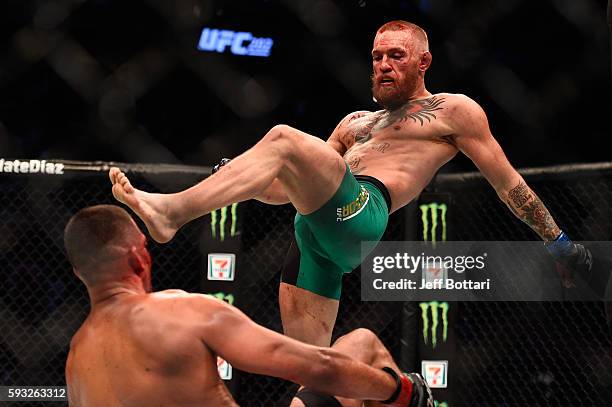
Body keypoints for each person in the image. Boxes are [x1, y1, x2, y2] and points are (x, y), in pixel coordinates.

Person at [108, 20, 591, 347]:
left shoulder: (453, 110)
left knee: (281, 137)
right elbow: (287, 192)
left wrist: (559, 243)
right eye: (377, 56)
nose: (382, 64)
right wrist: (241, 179)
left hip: (362, 214)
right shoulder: (353, 123)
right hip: (314, 236)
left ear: (422, 63)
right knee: (310, 367)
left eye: (396, 56)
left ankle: (172, 213)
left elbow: (508, 183)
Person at [63, 204, 433, 407]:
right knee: (362, 345)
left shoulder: (76, 360)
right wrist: (401, 391)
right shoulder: (179, 310)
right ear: (138, 258)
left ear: (80, 273)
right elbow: (314, 365)